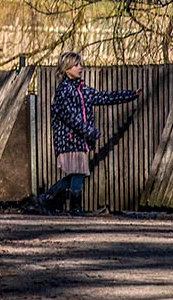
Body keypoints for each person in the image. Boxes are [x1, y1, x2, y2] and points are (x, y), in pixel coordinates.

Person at [30, 52, 137, 214]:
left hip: (79, 139)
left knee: (76, 173)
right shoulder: (64, 91)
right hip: (69, 139)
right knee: (78, 172)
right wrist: (89, 131)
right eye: (76, 65)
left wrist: (130, 95)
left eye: (79, 64)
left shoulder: (82, 89)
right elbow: (69, 117)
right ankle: (71, 206)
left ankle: (47, 199)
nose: (80, 68)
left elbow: (103, 97)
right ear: (67, 68)